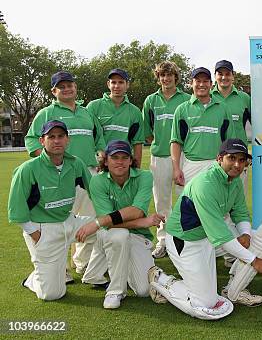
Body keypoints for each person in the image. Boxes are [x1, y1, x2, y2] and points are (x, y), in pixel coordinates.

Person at [148, 139, 262, 320]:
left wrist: (246, 234)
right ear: (219, 159)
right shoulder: (205, 184)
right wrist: (256, 262)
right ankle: (160, 279)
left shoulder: (235, 181)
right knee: (205, 303)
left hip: (208, 239)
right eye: (231, 158)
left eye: (242, 160)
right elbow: (222, 237)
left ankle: (234, 289)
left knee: (257, 239)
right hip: (185, 242)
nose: (237, 164)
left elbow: (240, 212)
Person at [24, 71, 105, 275]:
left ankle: (82, 262)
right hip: (59, 173)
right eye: (62, 86)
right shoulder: (46, 113)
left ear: (75, 88)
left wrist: (102, 153)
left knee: (90, 218)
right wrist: (47, 162)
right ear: (54, 91)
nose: (67, 89)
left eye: (70, 85)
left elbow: (99, 138)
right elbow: (32, 139)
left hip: (88, 173)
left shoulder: (87, 113)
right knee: (59, 220)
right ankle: (62, 269)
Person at [9, 120, 94, 300]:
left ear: (67, 140)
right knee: (52, 294)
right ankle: (33, 280)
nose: (57, 141)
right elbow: (17, 209)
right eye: (51, 137)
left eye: (61, 136)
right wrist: (36, 236)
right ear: (42, 140)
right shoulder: (28, 169)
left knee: (110, 228)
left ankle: (94, 274)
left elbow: (95, 191)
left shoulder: (75, 163)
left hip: (69, 223)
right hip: (43, 230)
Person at [76, 140, 165, 309]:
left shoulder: (145, 176)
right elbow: (108, 225)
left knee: (143, 290)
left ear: (131, 160)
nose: (120, 162)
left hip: (137, 235)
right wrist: (143, 222)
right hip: (112, 234)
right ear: (106, 161)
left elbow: (136, 211)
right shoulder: (97, 181)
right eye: (114, 157)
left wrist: (99, 222)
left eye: (124, 157)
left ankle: (96, 272)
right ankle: (116, 291)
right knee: (119, 236)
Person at [142, 61, 191, 259]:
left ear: (175, 77)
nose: (166, 78)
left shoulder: (187, 99)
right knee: (161, 202)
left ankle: (184, 240)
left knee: (185, 199)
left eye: (169, 75)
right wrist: (162, 145)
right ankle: (163, 241)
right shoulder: (151, 100)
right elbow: (147, 132)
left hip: (184, 157)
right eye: (162, 75)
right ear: (159, 77)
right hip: (159, 157)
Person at [170, 67, 233, 191]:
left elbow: (229, 142)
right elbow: (176, 141)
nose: (201, 85)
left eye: (205, 81)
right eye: (197, 81)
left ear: (211, 84)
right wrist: (176, 169)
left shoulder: (223, 108)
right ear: (191, 83)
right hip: (191, 165)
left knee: (217, 207)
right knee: (189, 207)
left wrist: (227, 167)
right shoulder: (182, 109)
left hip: (216, 165)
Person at [86, 69, 145, 167]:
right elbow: (89, 136)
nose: (117, 86)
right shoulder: (93, 106)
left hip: (123, 161)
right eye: (113, 82)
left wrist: (137, 169)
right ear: (108, 84)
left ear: (127, 85)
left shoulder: (135, 111)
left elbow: (137, 143)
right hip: (99, 162)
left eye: (121, 82)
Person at [211, 60, 252, 194]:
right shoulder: (208, 97)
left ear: (233, 75)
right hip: (214, 159)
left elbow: (257, 127)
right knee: (216, 200)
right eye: (220, 74)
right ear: (215, 76)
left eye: (227, 73)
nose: (224, 77)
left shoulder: (244, 98)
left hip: (238, 159)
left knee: (238, 201)